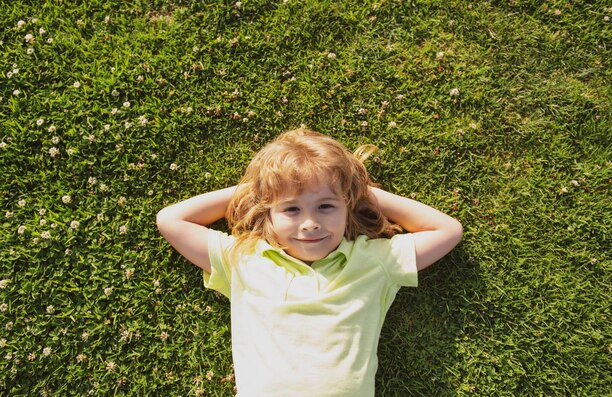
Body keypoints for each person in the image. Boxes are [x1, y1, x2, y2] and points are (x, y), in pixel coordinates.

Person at [156, 127, 463, 397]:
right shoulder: (244, 259)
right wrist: (255, 190)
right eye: (291, 210)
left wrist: (363, 194)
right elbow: (171, 220)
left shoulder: (373, 260)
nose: (310, 223)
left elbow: (448, 230)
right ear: (268, 214)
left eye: (326, 205)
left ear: (348, 208)